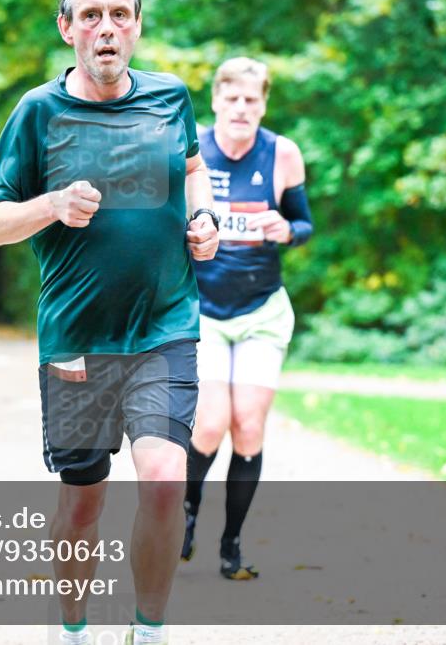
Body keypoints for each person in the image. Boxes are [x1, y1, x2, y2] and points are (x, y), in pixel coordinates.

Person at [0, 0, 218, 642]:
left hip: (165, 327)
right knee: (84, 501)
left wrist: (205, 216)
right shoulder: (37, 113)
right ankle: (74, 628)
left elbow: (194, 168)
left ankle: (149, 630)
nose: (106, 28)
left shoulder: (171, 96)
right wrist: (51, 204)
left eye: (119, 14)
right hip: (77, 340)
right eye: (91, 16)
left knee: (166, 480)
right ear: (67, 28)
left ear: (137, 26)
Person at [180, 57, 313, 581]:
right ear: (215, 101)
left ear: (263, 104)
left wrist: (287, 230)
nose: (241, 108)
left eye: (251, 100)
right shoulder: (193, 148)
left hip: (262, 311)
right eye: (231, 98)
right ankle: (186, 517)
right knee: (210, 424)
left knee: (249, 426)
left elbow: (304, 223)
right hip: (205, 311)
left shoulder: (282, 153)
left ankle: (231, 545)